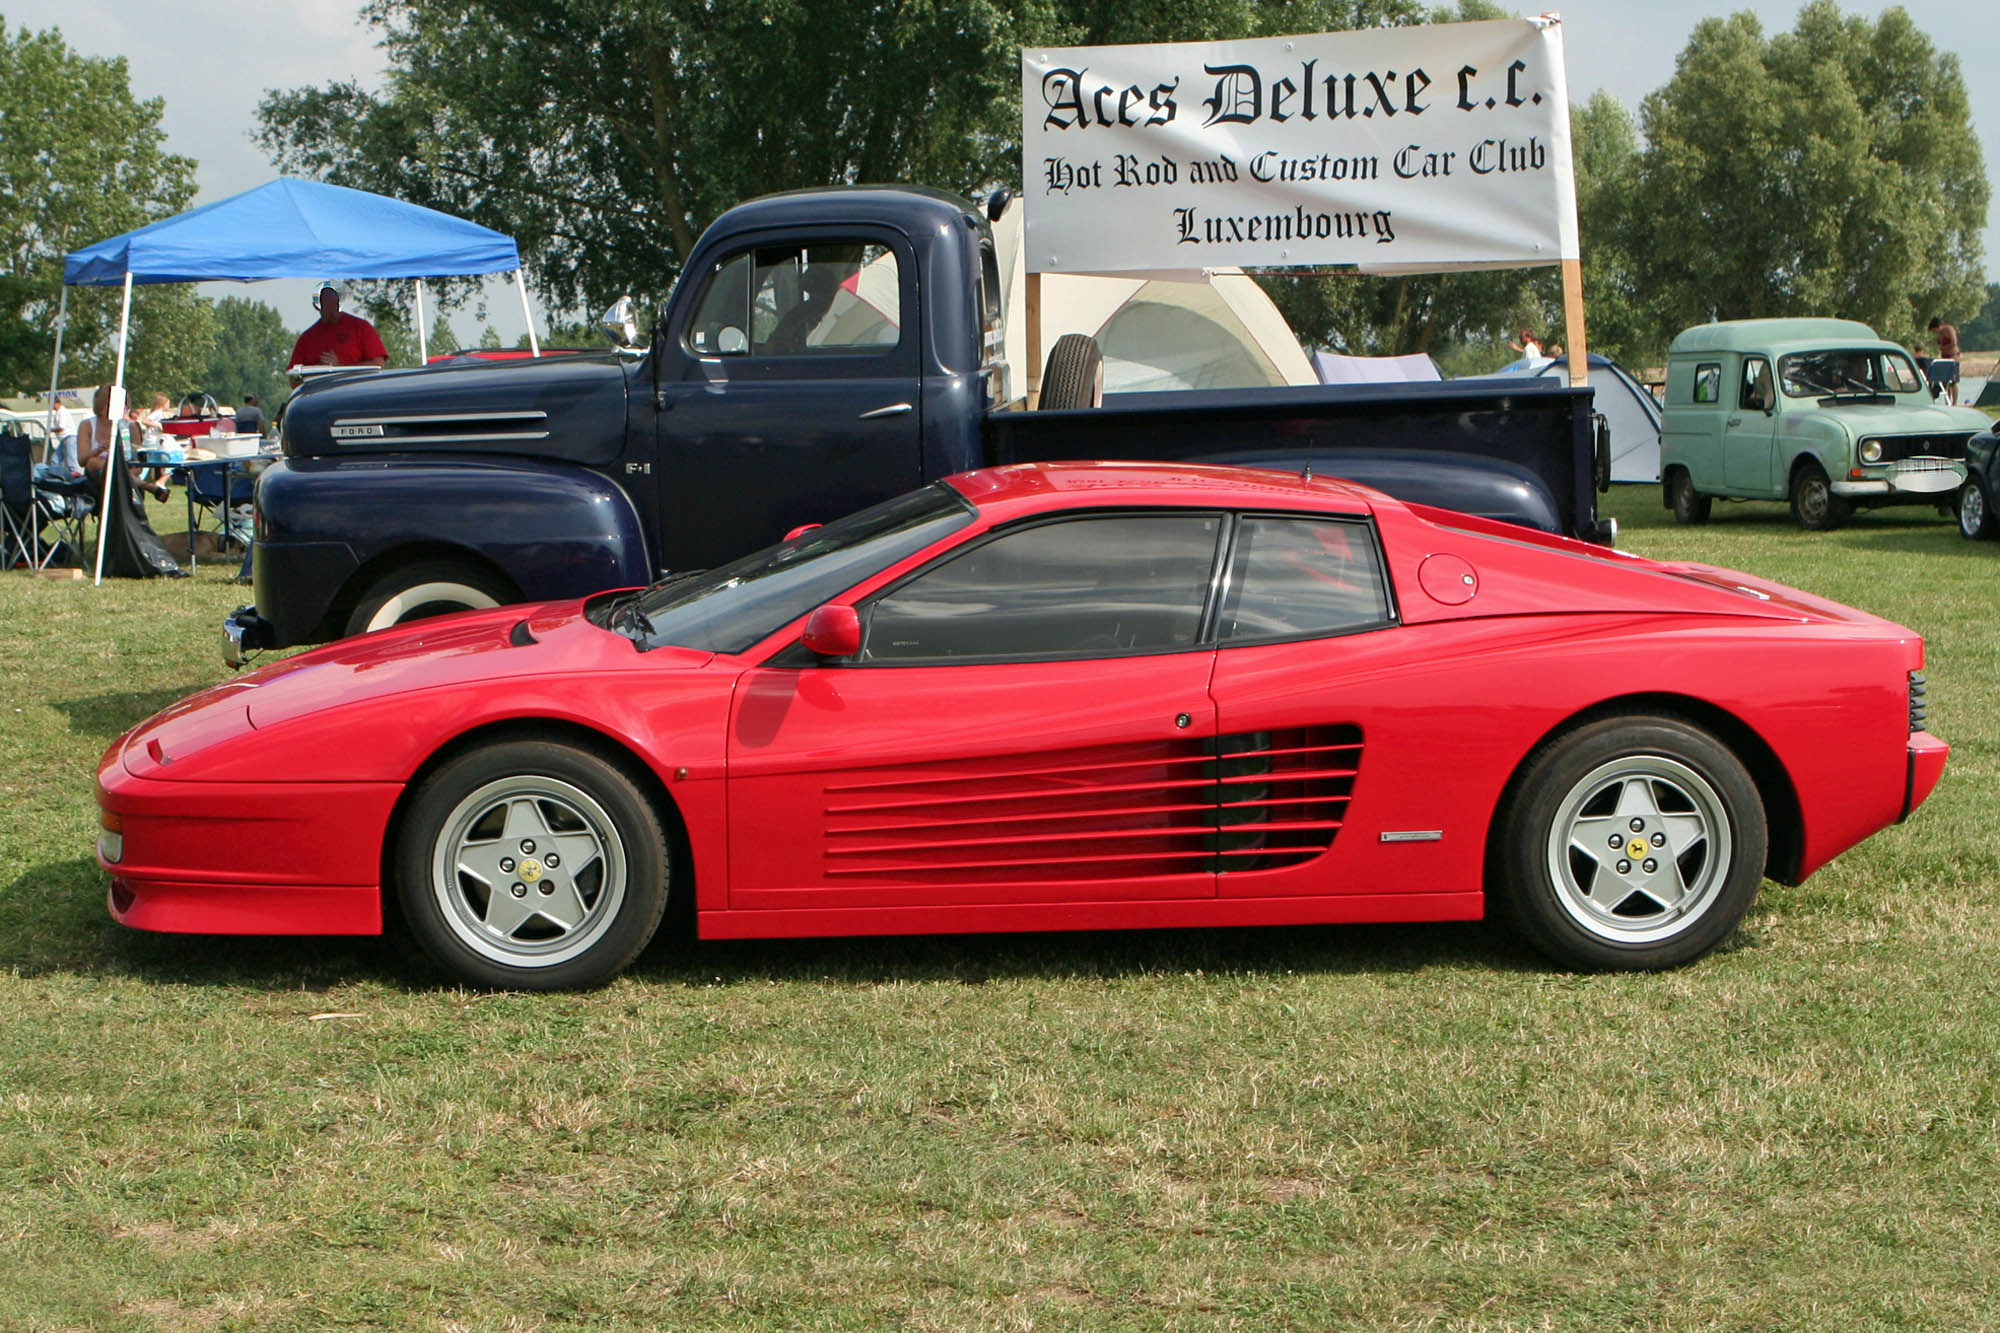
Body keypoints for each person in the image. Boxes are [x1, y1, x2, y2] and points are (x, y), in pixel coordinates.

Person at [76, 384, 167, 500]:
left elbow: (138, 465)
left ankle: (140, 484)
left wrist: (120, 473)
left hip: (125, 476)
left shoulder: (131, 426)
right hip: (98, 481)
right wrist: (99, 450)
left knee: (107, 467)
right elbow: (82, 460)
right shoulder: (87, 425)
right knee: (93, 462)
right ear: (102, 405)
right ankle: (150, 487)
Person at [289, 280, 388, 384]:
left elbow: (378, 365)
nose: (332, 312)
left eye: (334, 306)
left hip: (357, 392)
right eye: (327, 307)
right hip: (319, 395)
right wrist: (318, 369)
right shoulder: (307, 339)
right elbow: (293, 379)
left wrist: (340, 367)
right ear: (317, 306)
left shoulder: (361, 328)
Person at [1927, 316, 1961, 405]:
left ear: (1937, 327)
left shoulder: (1949, 329)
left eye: (1934, 331)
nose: (1935, 333)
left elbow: (1954, 342)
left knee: (1953, 381)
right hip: (1945, 357)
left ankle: (1954, 403)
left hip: (1953, 356)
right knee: (1945, 381)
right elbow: (1939, 343)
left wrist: (1944, 348)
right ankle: (1948, 401)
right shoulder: (1940, 334)